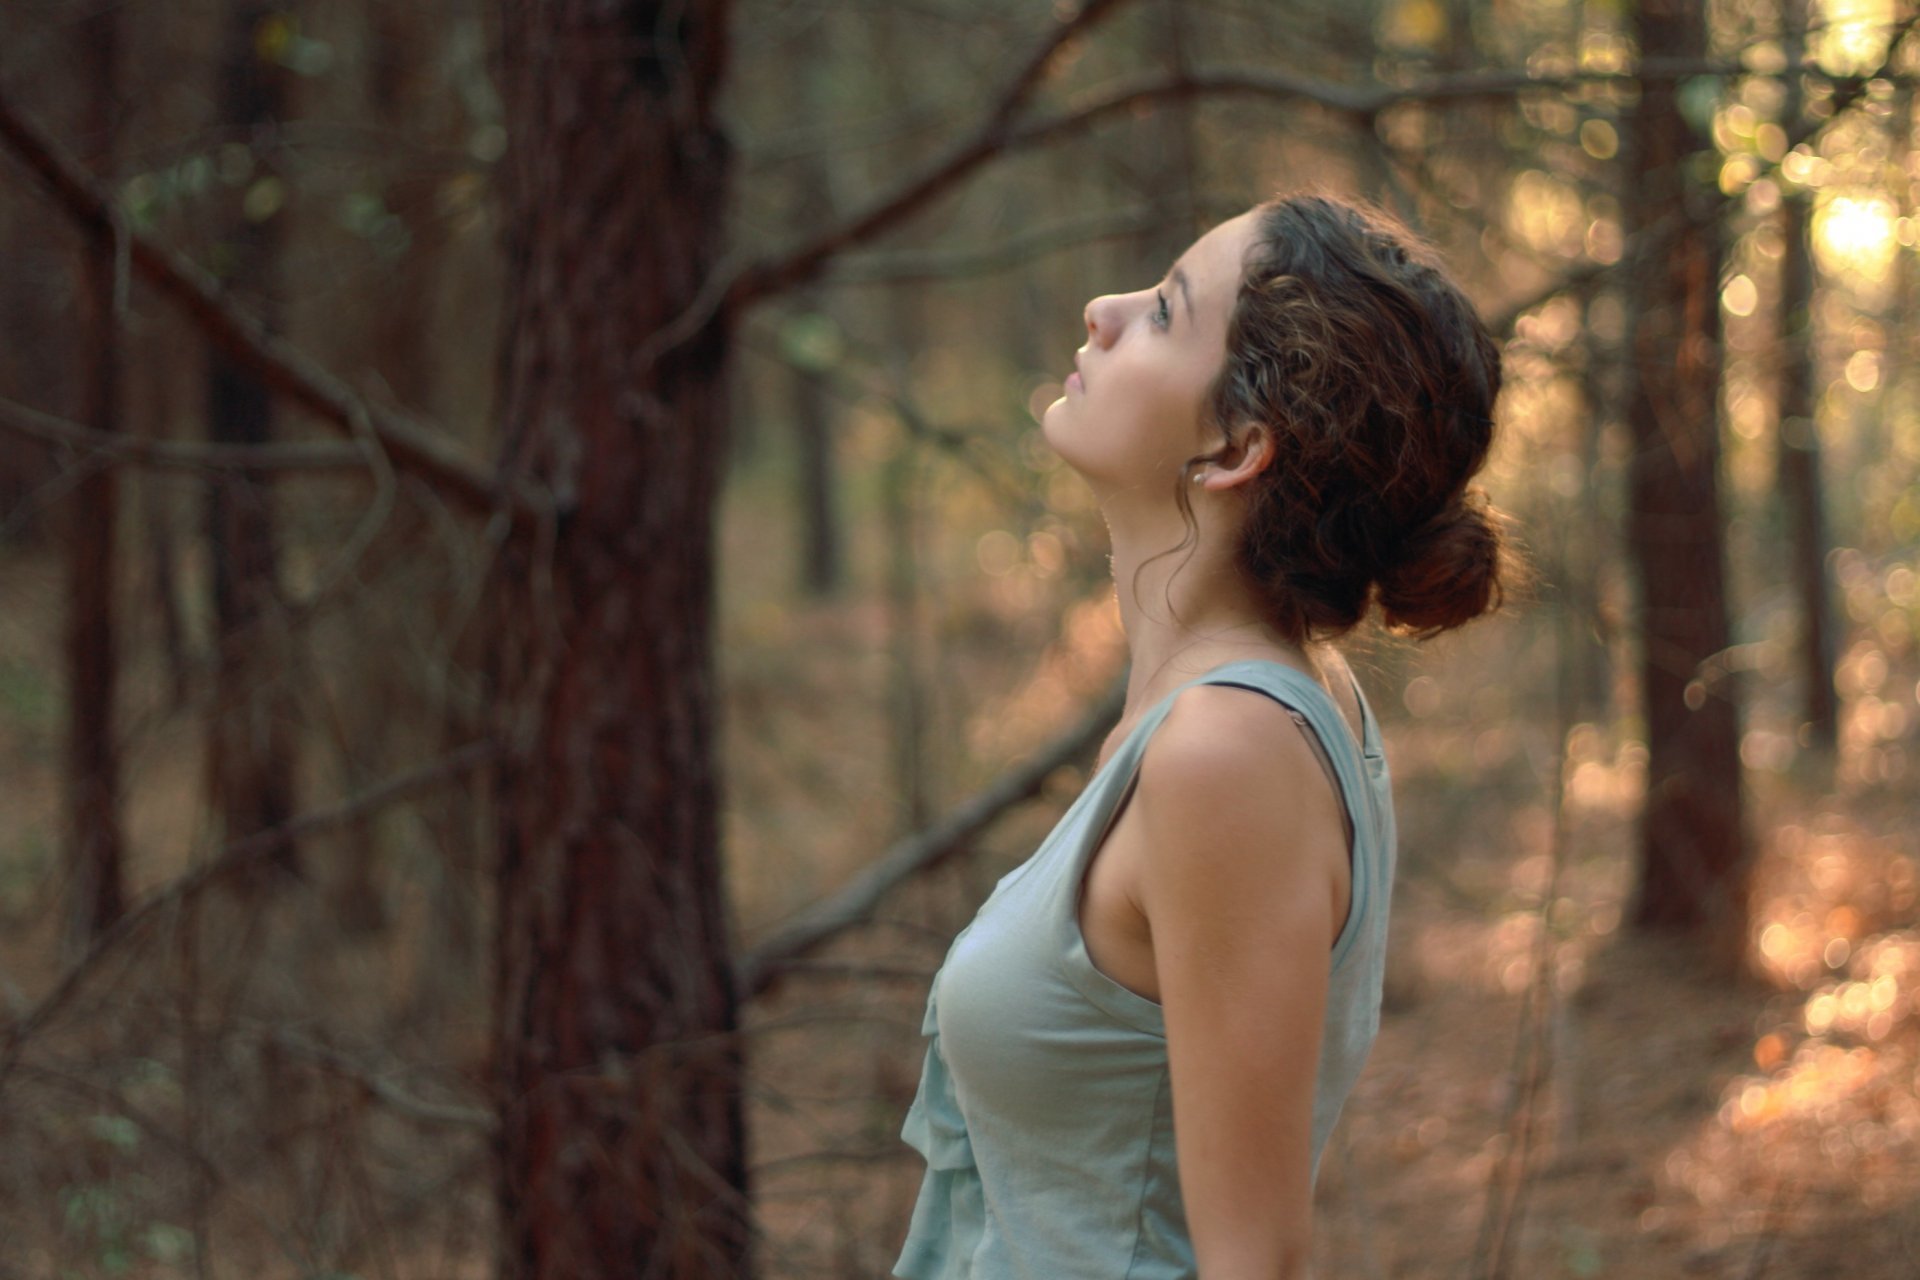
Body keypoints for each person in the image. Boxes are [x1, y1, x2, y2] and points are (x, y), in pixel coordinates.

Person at [892, 190, 1510, 1280]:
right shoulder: (1219, 710)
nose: (1103, 310)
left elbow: (1252, 1259)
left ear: (1235, 447)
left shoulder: (1228, 751)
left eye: (1168, 312)